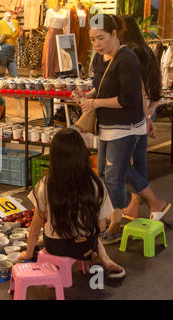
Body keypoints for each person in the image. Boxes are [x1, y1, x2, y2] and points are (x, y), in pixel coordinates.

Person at [75, 14, 147, 245]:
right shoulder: (99, 58)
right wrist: (87, 96)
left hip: (126, 127)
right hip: (106, 126)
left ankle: (117, 223)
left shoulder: (127, 59)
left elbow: (129, 99)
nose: (96, 44)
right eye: (93, 39)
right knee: (106, 175)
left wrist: (95, 103)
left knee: (114, 176)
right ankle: (147, 203)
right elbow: (100, 87)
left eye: (101, 38)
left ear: (115, 34)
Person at [18, 128, 125, 278]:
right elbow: (101, 226)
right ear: (83, 153)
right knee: (90, 230)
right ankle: (104, 259)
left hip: (56, 246)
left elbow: (37, 222)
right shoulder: (95, 183)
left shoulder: (46, 183)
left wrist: (29, 253)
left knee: (49, 231)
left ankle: (99, 257)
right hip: (85, 245)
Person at [113, 15, 171, 221]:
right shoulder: (146, 51)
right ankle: (136, 205)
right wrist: (150, 113)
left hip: (134, 113)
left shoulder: (129, 52)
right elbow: (156, 89)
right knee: (138, 160)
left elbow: (140, 88)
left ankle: (152, 201)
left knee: (117, 161)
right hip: (145, 111)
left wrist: (145, 116)